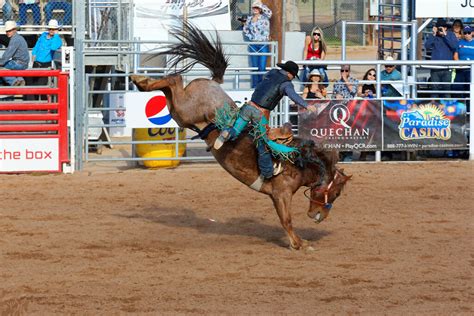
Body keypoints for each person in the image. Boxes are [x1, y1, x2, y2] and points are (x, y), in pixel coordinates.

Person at [214, 61, 316, 179]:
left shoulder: (272, 73)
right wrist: (307, 105)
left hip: (249, 107)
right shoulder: (286, 84)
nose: (292, 79)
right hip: (260, 114)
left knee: (236, 128)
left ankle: (226, 133)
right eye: (293, 76)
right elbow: (293, 95)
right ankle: (267, 172)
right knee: (263, 143)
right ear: (289, 73)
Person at [424, 18, 458, 98]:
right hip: (435, 68)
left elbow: (454, 46)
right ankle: (434, 109)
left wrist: (445, 35)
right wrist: (433, 34)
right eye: (439, 27)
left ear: (446, 28)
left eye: (442, 27)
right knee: (434, 90)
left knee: (447, 91)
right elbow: (427, 46)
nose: (441, 29)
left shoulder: (450, 34)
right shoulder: (434, 35)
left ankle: (447, 109)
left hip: (447, 68)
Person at [28, 19, 62, 99]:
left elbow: (53, 47)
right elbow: (36, 46)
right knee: (34, 84)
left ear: (57, 30)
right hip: (37, 63)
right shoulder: (43, 36)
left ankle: (43, 107)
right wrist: (33, 54)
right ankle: (35, 105)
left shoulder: (57, 40)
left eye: (53, 29)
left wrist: (56, 35)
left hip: (46, 65)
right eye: (50, 28)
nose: (51, 30)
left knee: (42, 86)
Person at [243, 0, 272, 88]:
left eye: (257, 7)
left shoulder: (264, 17)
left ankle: (261, 86)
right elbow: (245, 29)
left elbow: (270, 13)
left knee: (262, 67)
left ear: (260, 9)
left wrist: (261, 5)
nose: (255, 9)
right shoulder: (249, 19)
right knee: (254, 67)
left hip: (263, 44)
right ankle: (254, 86)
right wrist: (251, 38)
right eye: (254, 7)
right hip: (253, 45)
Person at [0, 21, 29, 86]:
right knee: (8, 64)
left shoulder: (15, 39)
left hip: (18, 63)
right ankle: (20, 79)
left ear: (14, 30)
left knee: (2, 68)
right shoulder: (19, 38)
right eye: (7, 31)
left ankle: (14, 81)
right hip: (23, 63)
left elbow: (7, 54)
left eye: (9, 31)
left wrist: (1, 62)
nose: (7, 33)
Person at [453, 25, 473, 107]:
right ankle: (460, 111)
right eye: (465, 33)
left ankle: (470, 111)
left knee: (470, 90)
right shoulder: (459, 42)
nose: (467, 34)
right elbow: (455, 55)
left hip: (471, 70)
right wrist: (459, 63)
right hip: (461, 70)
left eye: (468, 33)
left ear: (472, 33)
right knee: (457, 89)